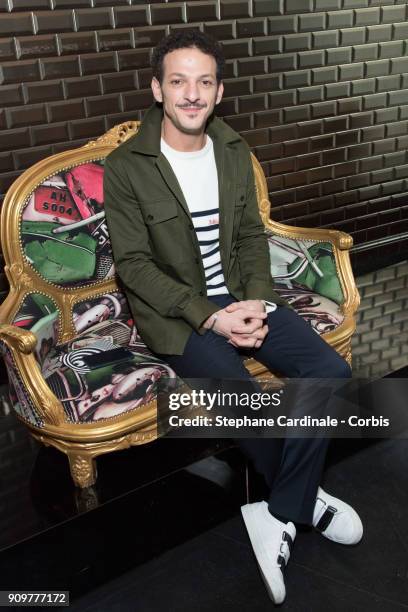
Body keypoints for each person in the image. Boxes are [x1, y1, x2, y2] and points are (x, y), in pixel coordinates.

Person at [103, 31, 363, 605]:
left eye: (203, 82)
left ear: (219, 92)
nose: (191, 95)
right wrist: (212, 317)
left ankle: (279, 512)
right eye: (178, 81)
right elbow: (136, 267)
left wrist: (256, 302)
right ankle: (305, 500)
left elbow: (249, 237)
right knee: (240, 397)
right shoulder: (125, 167)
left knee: (328, 369)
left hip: (242, 299)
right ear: (157, 89)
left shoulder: (234, 150)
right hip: (177, 316)